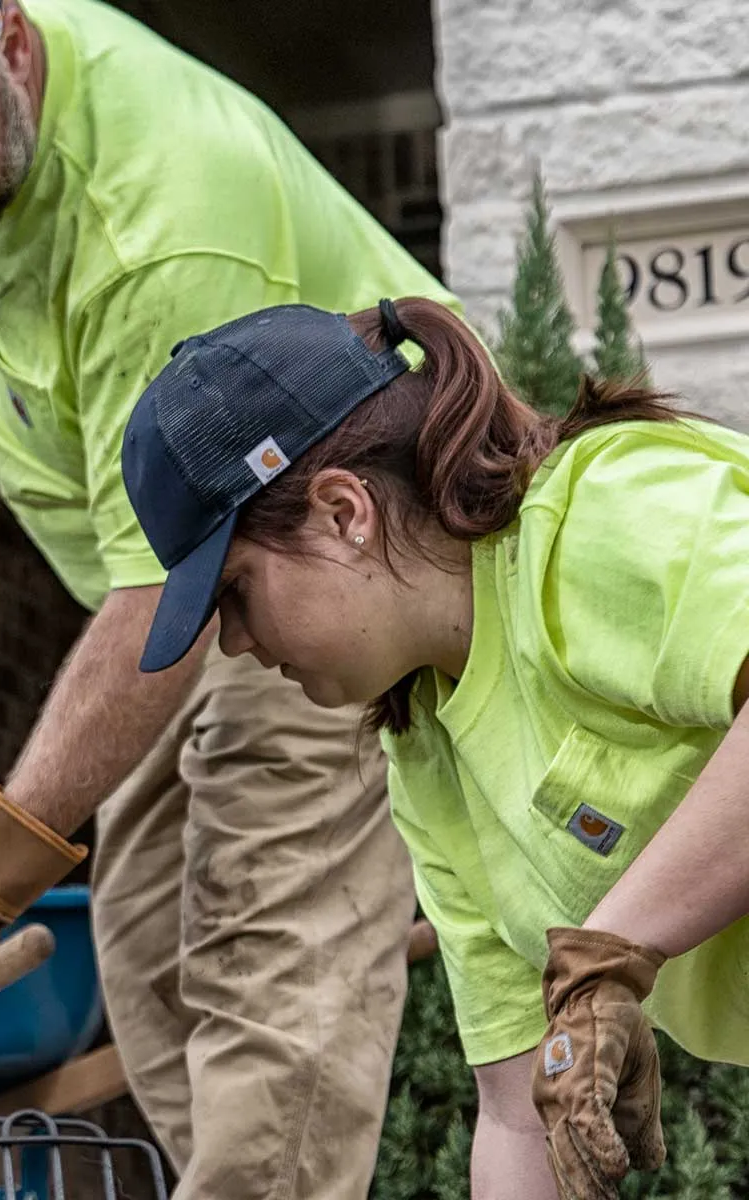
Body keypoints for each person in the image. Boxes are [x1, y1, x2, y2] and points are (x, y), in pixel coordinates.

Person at [0, 1, 453, 1197]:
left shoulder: (163, 223)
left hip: (324, 564)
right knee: (142, 953)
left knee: (262, 952)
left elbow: (154, 603)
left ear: (15, 47)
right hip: (177, 595)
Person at [119, 295, 749, 1200]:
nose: (234, 646)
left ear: (344, 513)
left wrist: (616, 945)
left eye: (236, 595)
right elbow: (513, 1109)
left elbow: (598, 961)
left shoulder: (597, 518)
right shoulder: (431, 759)